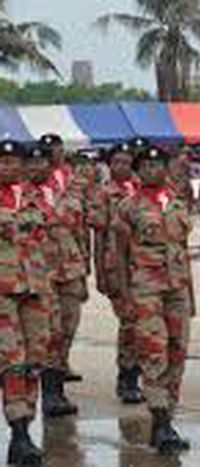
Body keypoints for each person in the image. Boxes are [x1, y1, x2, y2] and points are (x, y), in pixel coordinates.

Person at [115, 145, 193, 454]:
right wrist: (125, 296)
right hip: (146, 289)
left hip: (177, 289)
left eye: (157, 164)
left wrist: (190, 295)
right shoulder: (128, 206)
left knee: (177, 351)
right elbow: (120, 254)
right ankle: (160, 421)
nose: (152, 170)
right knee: (153, 351)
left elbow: (182, 248)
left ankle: (167, 419)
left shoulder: (178, 201)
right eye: (145, 166)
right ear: (137, 172)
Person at [0, 141, 54, 465]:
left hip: (35, 287)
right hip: (3, 291)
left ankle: (25, 431)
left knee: (35, 359)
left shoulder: (36, 196)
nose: (7, 167)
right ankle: (19, 430)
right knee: (11, 361)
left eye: (13, 162)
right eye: (2, 162)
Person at [90, 142, 143, 404]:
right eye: (116, 162)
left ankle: (142, 373)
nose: (121, 166)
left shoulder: (142, 189)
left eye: (126, 162)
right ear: (109, 165)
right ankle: (127, 377)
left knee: (146, 322)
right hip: (116, 266)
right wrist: (99, 271)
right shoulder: (104, 194)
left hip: (146, 265)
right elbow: (99, 235)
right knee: (129, 322)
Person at [39, 134, 90, 385]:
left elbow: (81, 225)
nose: (54, 154)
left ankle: (62, 362)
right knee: (50, 323)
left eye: (57, 149)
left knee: (70, 319)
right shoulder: (30, 183)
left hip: (71, 262)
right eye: (48, 150)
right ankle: (48, 370)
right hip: (42, 264)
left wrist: (85, 262)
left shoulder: (74, 181)